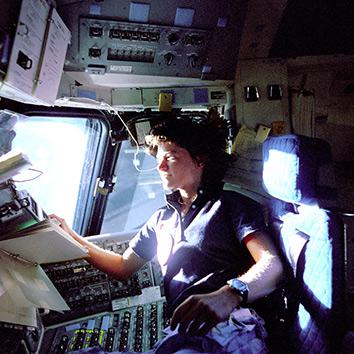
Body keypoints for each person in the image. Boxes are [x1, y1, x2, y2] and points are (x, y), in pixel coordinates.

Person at [50, 116, 284, 353]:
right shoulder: (161, 219)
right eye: (159, 158)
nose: (160, 167)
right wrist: (70, 236)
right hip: (184, 331)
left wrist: (230, 294)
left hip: (231, 323)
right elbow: (122, 267)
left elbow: (272, 266)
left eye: (170, 157)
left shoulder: (231, 206)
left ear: (199, 159)